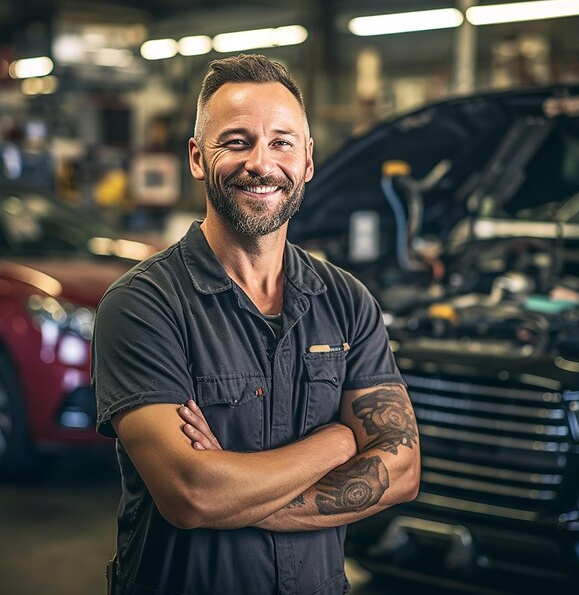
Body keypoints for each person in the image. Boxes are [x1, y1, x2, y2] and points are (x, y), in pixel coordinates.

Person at [91, 54, 420, 595]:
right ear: (198, 157)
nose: (261, 164)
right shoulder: (142, 306)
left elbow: (402, 470)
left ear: (308, 160)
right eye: (237, 141)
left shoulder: (347, 301)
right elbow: (192, 493)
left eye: (282, 142)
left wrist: (235, 491)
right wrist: (338, 442)